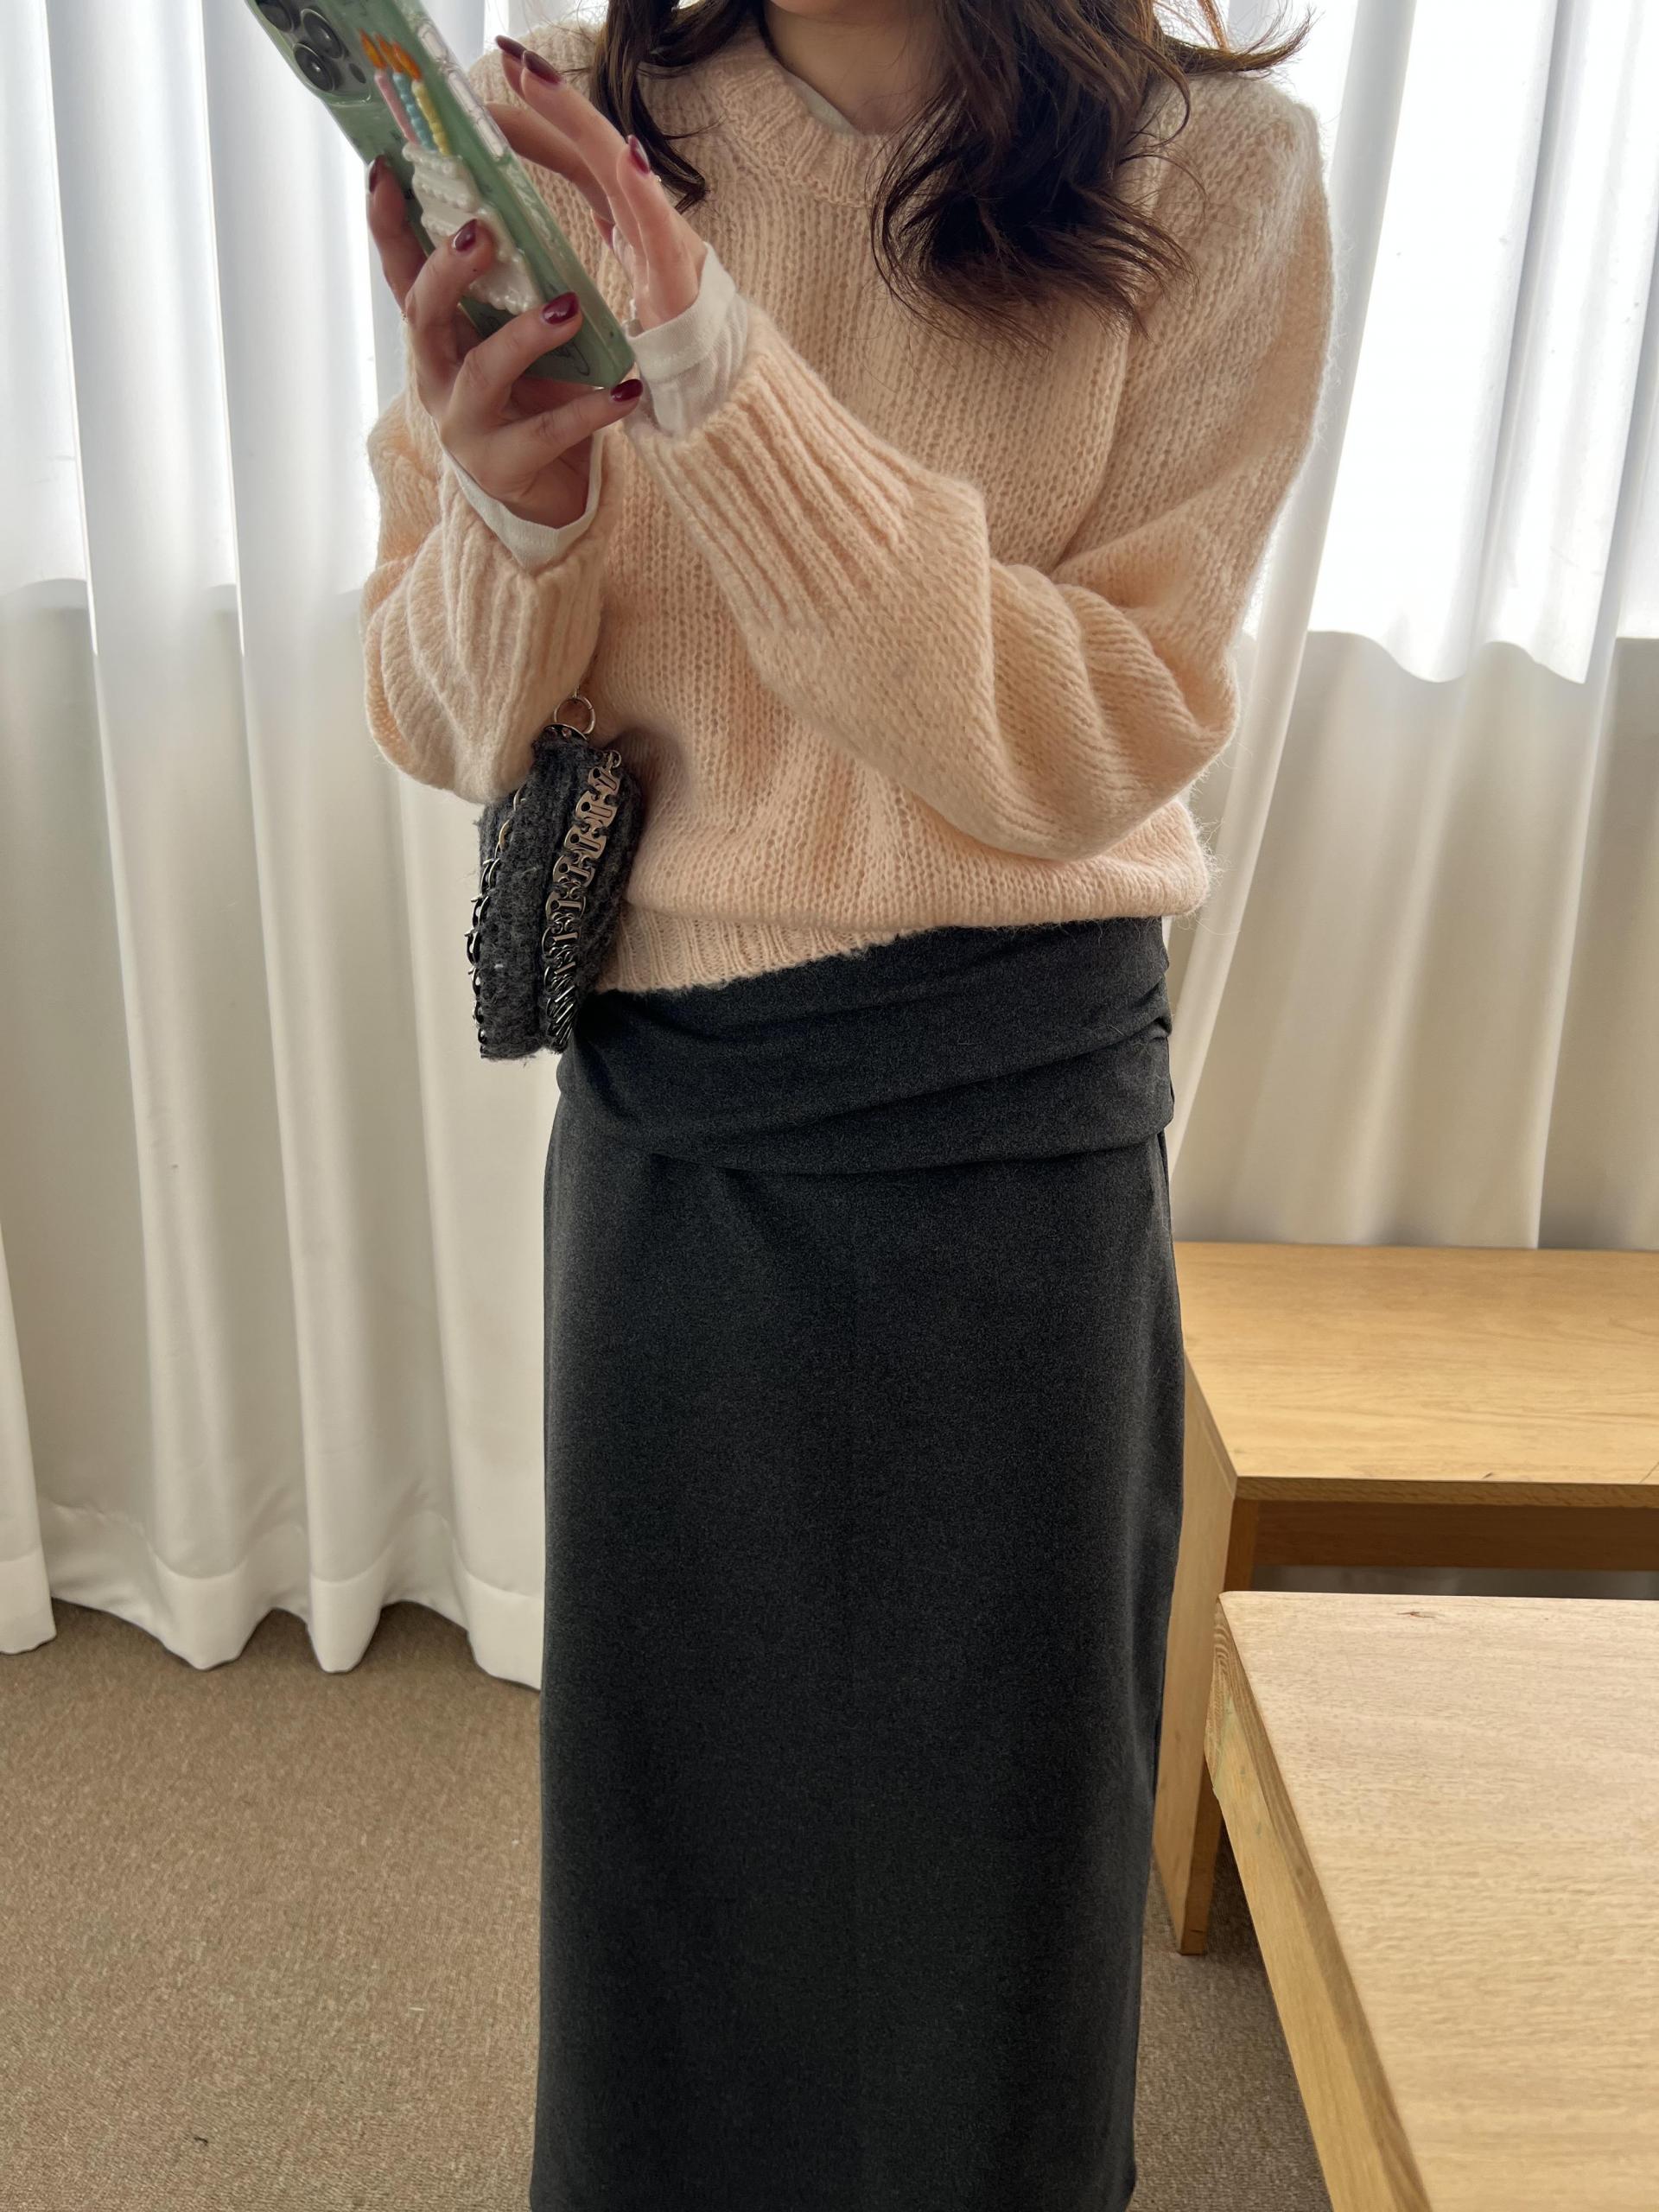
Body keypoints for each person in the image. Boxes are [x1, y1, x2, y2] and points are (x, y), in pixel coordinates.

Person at [359, 3, 1332, 2205]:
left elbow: (1097, 731)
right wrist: (510, 518)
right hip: (677, 1122)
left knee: (991, 1863)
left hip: (1007, 1121)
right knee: (681, 1852)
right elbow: (435, 717)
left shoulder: (1214, 174)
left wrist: (722, 379)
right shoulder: (571, 126)